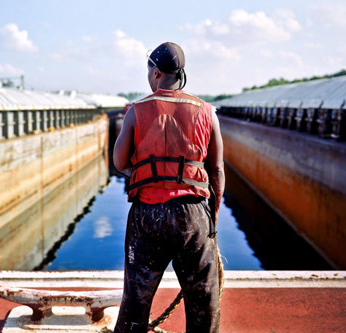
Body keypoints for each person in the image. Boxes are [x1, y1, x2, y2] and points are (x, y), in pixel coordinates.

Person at [113, 42, 225, 333]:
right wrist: (211, 218)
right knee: (203, 302)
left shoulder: (136, 111)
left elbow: (119, 162)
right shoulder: (207, 112)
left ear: (156, 72)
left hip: (147, 215)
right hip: (193, 214)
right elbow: (216, 171)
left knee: (136, 300)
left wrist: (147, 177)